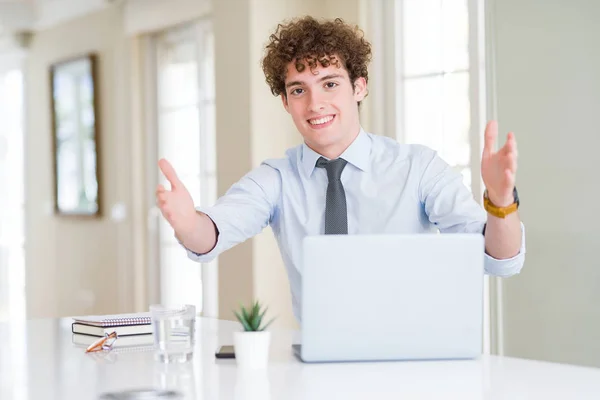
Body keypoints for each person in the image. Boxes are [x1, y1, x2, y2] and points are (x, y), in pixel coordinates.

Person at [155, 16, 525, 322]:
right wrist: (188, 224)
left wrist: (500, 200)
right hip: (318, 368)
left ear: (359, 87)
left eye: (329, 84)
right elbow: (212, 234)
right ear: (285, 102)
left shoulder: (418, 168)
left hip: (414, 364)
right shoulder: (277, 179)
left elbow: (499, 260)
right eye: (299, 90)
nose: (316, 104)